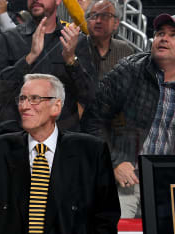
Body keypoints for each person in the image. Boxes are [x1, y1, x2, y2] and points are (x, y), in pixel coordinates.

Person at [0, 73, 120, 234]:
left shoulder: (91, 152)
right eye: (22, 99)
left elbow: (106, 217)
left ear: (56, 106)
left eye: (34, 99)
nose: (24, 106)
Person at [81, 13, 175, 218]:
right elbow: (92, 121)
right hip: (126, 180)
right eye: (160, 33)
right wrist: (114, 161)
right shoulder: (129, 70)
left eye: (172, 35)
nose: (164, 38)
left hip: (167, 185)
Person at [0, 0, 95, 137]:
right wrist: (29, 58)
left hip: (61, 143)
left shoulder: (76, 41)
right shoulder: (8, 39)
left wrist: (71, 60)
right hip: (14, 140)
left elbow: (90, 97)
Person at [85, 0, 134, 80]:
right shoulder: (76, 46)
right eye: (93, 16)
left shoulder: (125, 50)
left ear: (116, 23)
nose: (98, 21)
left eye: (105, 16)